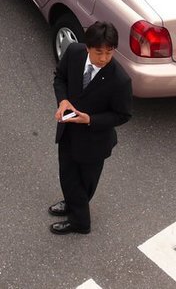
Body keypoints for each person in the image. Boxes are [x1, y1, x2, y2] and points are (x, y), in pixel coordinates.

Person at [48, 21, 132, 234]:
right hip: (68, 131)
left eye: (109, 52)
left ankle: (80, 223)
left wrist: (90, 120)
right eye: (98, 52)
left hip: (95, 142)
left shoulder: (120, 80)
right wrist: (63, 100)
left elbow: (122, 115)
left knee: (85, 183)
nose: (103, 58)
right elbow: (60, 78)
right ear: (87, 47)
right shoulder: (74, 52)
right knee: (67, 174)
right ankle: (72, 204)